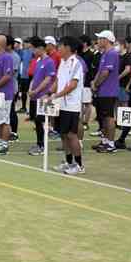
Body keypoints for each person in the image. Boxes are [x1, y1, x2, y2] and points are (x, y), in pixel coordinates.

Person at [47, 36, 85, 175]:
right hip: (60, 104)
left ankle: (79, 165)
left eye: (60, 46)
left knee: (71, 135)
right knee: (63, 134)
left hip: (71, 105)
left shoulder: (76, 63)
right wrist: (49, 92)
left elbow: (73, 85)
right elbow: (58, 81)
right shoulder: (62, 62)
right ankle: (69, 162)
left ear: (68, 47)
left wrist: (57, 95)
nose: (58, 49)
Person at [26, 37, 56, 156]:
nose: (32, 51)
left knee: (41, 120)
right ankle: (39, 143)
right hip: (35, 95)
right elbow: (35, 77)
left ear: (40, 48)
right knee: (37, 122)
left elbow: (48, 78)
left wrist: (38, 90)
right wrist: (30, 89)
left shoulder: (49, 61)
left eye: (33, 49)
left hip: (43, 96)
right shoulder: (38, 61)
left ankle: (42, 145)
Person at [92, 30, 120, 152]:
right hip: (102, 91)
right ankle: (105, 141)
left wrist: (96, 84)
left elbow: (105, 73)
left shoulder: (112, 54)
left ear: (106, 40)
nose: (97, 41)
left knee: (108, 117)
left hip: (108, 91)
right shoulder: (105, 54)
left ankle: (110, 143)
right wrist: (94, 82)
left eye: (100, 39)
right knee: (103, 117)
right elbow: (100, 71)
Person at [18, 38, 33, 113]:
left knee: (30, 92)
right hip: (23, 75)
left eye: (27, 43)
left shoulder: (33, 52)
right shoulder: (23, 52)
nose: (25, 45)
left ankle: (31, 110)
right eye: (25, 43)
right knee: (23, 92)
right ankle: (23, 107)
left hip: (30, 75)